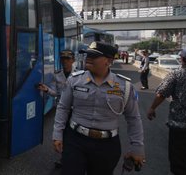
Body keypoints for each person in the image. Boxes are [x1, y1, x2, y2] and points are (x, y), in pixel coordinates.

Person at [53, 41, 145, 175]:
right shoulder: (74, 80)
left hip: (107, 146)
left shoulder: (124, 86)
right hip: (75, 140)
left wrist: (137, 147)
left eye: (94, 55)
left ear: (109, 61)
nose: (88, 58)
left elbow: (134, 118)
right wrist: (57, 134)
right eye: (87, 54)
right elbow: (63, 108)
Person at [147, 46, 186, 175]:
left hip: (179, 124)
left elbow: (161, 94)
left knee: (178, 158)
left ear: (183, 59)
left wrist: (152, 108)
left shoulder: (177, 74)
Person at [37, 49, 77, 168]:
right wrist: (46, 89)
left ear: (73, 60)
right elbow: (55, 93)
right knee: (63, 134)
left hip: (77, 111)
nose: (65, 62)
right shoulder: (57, 74)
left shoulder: (80, 75)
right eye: (63, 59)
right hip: (62, 110)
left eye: (68, 59)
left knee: (75, 135)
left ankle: (76, 157)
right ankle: (64, 158)